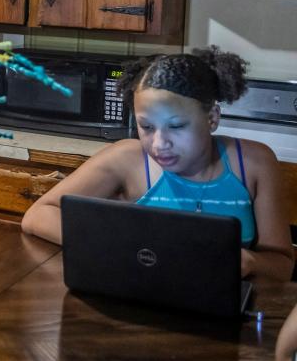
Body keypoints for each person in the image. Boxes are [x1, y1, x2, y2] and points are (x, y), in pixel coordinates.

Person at [21, 47, 293, 282]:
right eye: (146, 127)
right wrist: (122, 246)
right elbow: (37, 216)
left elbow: (281, 266)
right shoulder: (127, 159)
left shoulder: (254, 164)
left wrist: (249, 262)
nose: (160, 143)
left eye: (176, 126)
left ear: (212, 118)